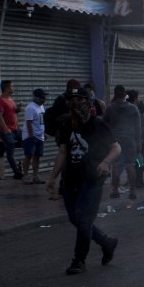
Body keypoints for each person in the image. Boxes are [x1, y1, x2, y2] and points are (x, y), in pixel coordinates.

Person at [45, 87, 121, 275]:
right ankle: (106, 242)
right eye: (72, 100)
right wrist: (52, 178)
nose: (75, 103)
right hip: (70, 179)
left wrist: (105, 162)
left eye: (80, 99)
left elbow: (116, 148)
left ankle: (79, 260)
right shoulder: (66, 125)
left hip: (93, 178)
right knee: (75, 218)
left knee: (84, 218)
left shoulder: (98, 124)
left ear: (88, 103)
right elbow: (62, 152)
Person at [104, 86, 142, 199]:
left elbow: (104, 124)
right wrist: (138, 141)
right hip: (130, 140)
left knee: (116, 165)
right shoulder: (133, 108)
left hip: (115, 140)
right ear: (125, 95)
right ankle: (132, 191)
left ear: (115, 94)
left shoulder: (110, 108)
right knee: (130, 165)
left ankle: (115, 190)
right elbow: (138, 126)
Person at [0, 79, 22, 180]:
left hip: (16, 130)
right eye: (12, 86)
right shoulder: (0, 101)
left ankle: (3, 146)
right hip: (7, 131)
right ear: (7, 88)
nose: (13, 88)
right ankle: (16, 173)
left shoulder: (10, 99)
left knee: (28, 142)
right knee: (11, 153)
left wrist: (17, 109)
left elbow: (12, 112)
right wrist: (6, 129)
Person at [22, 88, 47, 184]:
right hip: (30, 136)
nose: (44, 99)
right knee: (28, 156)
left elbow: (41, 121)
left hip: (40, 136)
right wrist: (31, 136)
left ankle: (36, 176)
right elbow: (29, 123)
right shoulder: (30, 108)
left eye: (44, 97)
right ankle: (25, 176)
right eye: (42, 97)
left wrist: (43, 133)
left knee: (37, 156)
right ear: (36, 97)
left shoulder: (41, 107)